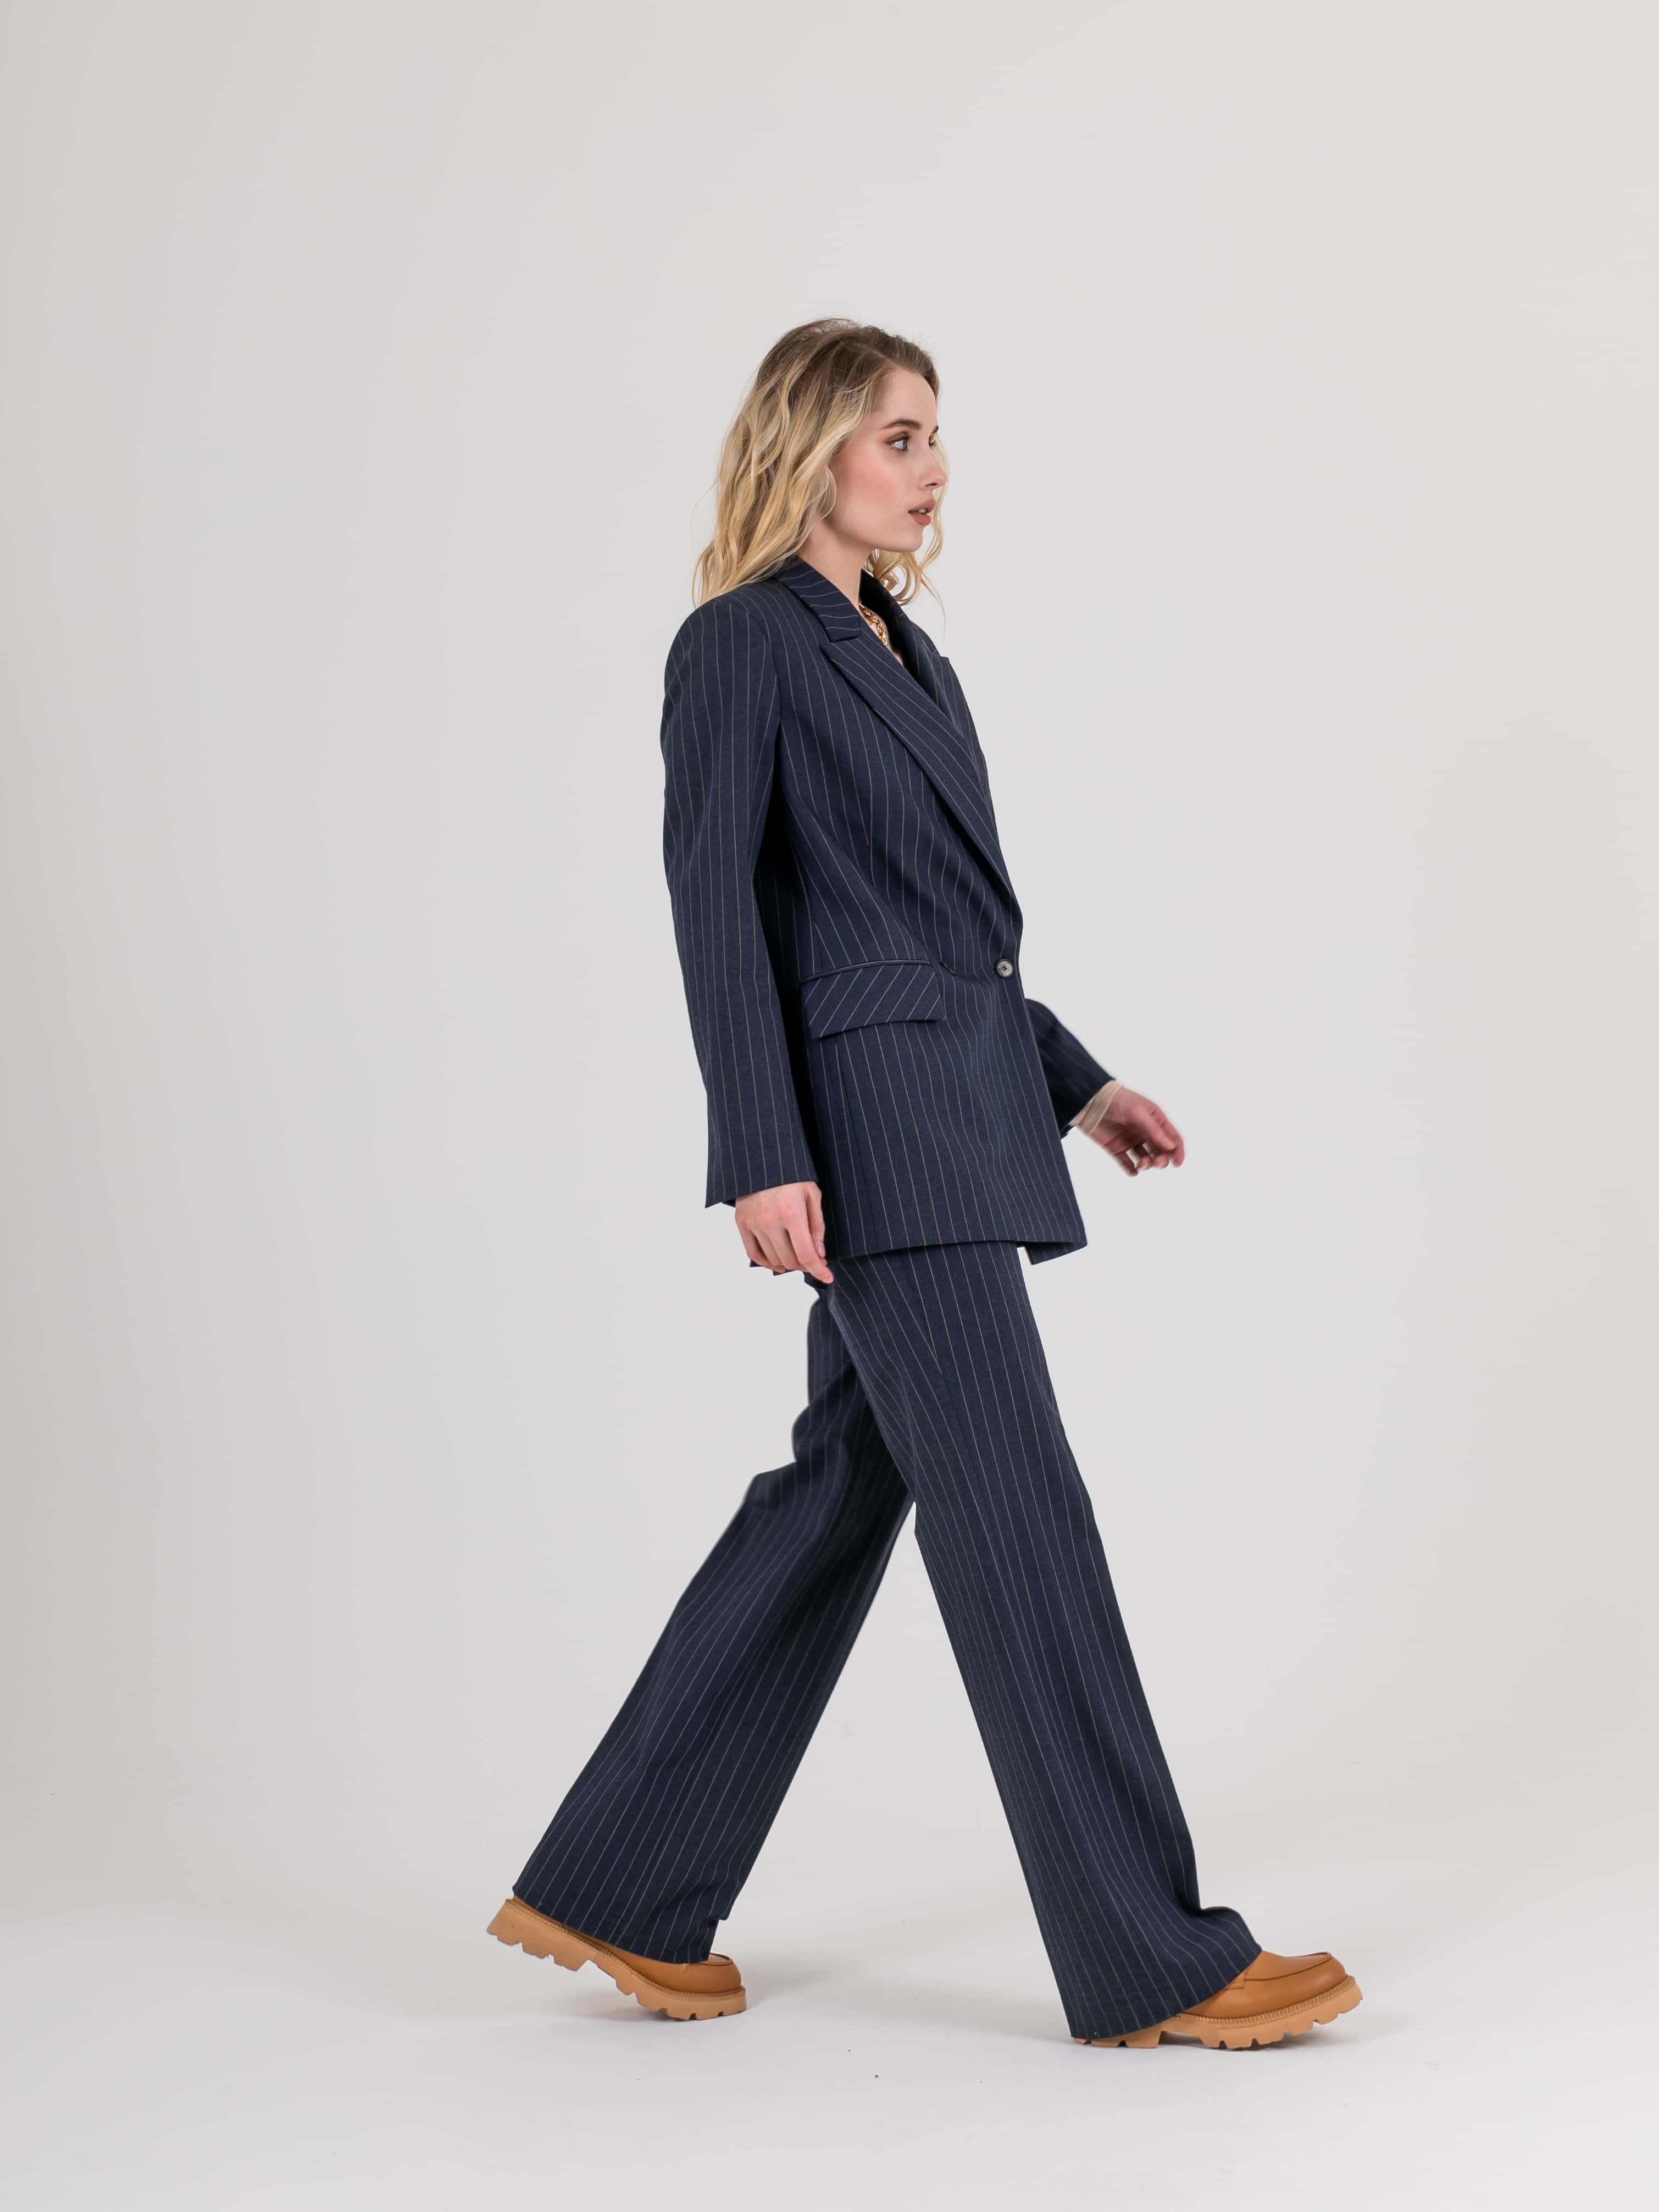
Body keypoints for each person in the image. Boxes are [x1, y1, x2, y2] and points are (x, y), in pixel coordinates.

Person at [485, 318, 1361, 2050]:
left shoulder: (906, 652)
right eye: (899, 434)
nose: (932, 466)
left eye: (935, 435)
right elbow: (717, 911)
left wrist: (1073, 1081)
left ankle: (620, 1882)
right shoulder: (741, 643)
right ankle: (1150, 1955)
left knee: (837, 1491)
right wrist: (761, 1149)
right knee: (1019, 1518)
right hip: (875, 1145)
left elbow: (937, 938)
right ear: (808, 443)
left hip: (958, 1115)